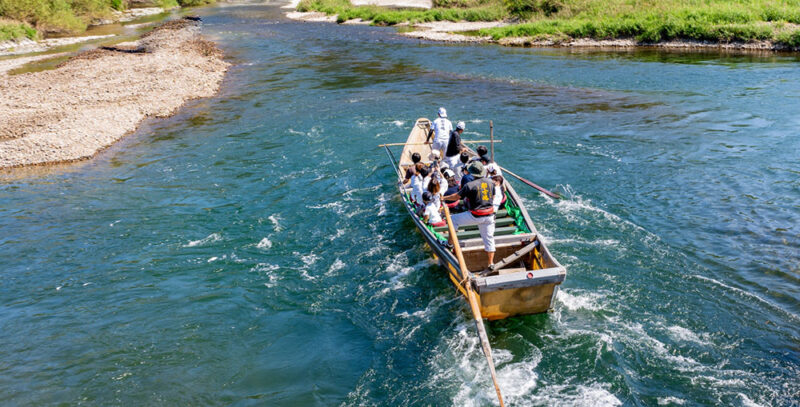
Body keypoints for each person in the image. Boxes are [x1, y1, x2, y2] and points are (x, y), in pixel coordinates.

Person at [443, 161, 496, 268]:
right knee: (489, 239)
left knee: (453, 219)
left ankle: (449, 243)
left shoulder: (469, 185)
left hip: (476, 215)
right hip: (490, 216)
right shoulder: (491, 182)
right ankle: (491, 263)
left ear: (472, 173)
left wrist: (443, 198)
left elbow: (456, 197)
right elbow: (493, 197)